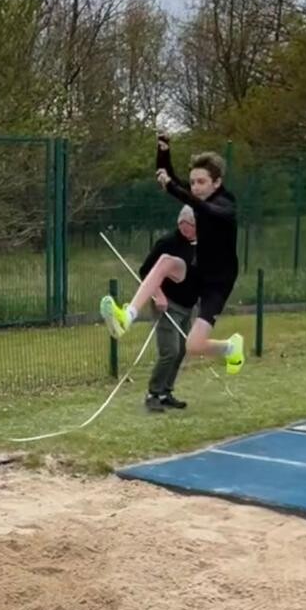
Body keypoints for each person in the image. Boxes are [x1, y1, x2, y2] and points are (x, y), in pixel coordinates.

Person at [101, 134, 244, 375]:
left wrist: (173, 188)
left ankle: (230, 348)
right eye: (193, 182)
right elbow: (168, 177)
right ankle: (127, 317)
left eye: (201, 182)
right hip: (198, 269)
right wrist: (164, 151)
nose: (195, 187)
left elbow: (203, 207)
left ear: (217, 183)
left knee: (193, 346)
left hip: (218, 282)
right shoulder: (198, 196)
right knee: (165, 261)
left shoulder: (226, 204)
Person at [140, 205, 198, 413]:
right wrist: (158, 294)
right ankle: (153, 394)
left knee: (181, 350)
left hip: (187, 306)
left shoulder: (199, 243)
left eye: (191, 224)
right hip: (168, 304)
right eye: (184, 224)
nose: (186, 228)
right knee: (170, 351)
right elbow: (146, 271)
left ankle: (166, 392)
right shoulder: (168, 243)